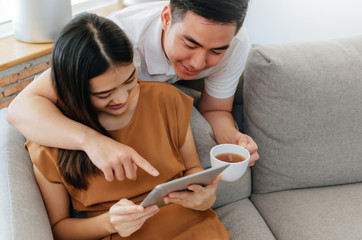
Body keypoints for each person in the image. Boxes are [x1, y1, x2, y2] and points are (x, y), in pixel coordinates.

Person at [25, 13, 230, 239]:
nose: (122, 98)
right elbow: (58, 229)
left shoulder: (166, 100)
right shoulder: (50, 142)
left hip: (199, 230)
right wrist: (108, 223)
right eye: (104, 93)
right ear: (75, 90)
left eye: (130, 79)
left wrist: (205, 198)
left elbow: (193, 171)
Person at [7, 0, 259, 182]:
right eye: (190, 43)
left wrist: (233, 137)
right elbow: (20, 108)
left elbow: (215, 108)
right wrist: (92, 142)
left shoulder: (235, 43)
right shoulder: (117, 42)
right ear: (166, 18)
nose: (198, 62)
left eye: (216, 51)